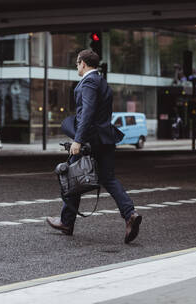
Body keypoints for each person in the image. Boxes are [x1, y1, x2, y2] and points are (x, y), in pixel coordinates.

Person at [46, 49, 142, 244]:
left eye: (77, 63)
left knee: (70, 176)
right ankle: (130, 214)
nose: (76, 66)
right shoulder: (102, 81)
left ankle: (66, 221)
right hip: (105, 138)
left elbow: (87, 112)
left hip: (89, 141)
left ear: (83, 63)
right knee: (109, 178)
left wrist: (78, 140)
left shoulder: (89, 82)